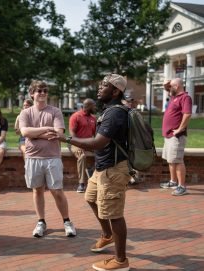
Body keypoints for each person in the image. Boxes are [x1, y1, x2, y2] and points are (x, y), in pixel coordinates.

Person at [54, 74, 131, 271]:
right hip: (102, 168)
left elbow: (98, 143)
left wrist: (67, 139)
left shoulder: (115, 113)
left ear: (115, 91)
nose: (99, 88)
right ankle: (107, 235)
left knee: (114, 214)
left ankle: (121, 261)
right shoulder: (108, 110)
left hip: (113, 170)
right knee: (90, 198)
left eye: (103, 86)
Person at [19, 80, 76, 238]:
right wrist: (46, 130)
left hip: (52, 157)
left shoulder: (55, 111)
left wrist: (35, 133)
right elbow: (24, 132)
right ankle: (41, 222)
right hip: (33, 157)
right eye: (39, 91)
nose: (42, 93)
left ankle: (67, 222)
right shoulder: (25, 113)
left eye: (44, 90)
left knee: (57, 191)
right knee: (37, 190)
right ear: (32, 93)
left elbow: (58, 133)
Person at [160, 78, 192, 196]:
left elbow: (187, 114)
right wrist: (165, 84)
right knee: (171, 160)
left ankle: (182, 186)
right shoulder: (174, 96)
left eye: (171, 86)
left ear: (177, 86)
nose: (168, 88)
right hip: (168, 135)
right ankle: (173, 182)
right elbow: (167, 88)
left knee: (177, 161)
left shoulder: (185, 98)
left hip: (176, 136)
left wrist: (180, 129)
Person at [69, 98, 96, 193]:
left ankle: (91, 170)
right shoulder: (76, 116)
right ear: (87, 106)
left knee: (104, 153)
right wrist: (80, 144)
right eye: (93, 105)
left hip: (88, 144)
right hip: (75, 143)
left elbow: (96, 135)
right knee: (82, 156)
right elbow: (72, 134)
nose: (95, 107)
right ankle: (81, 184)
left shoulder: (93, 118)